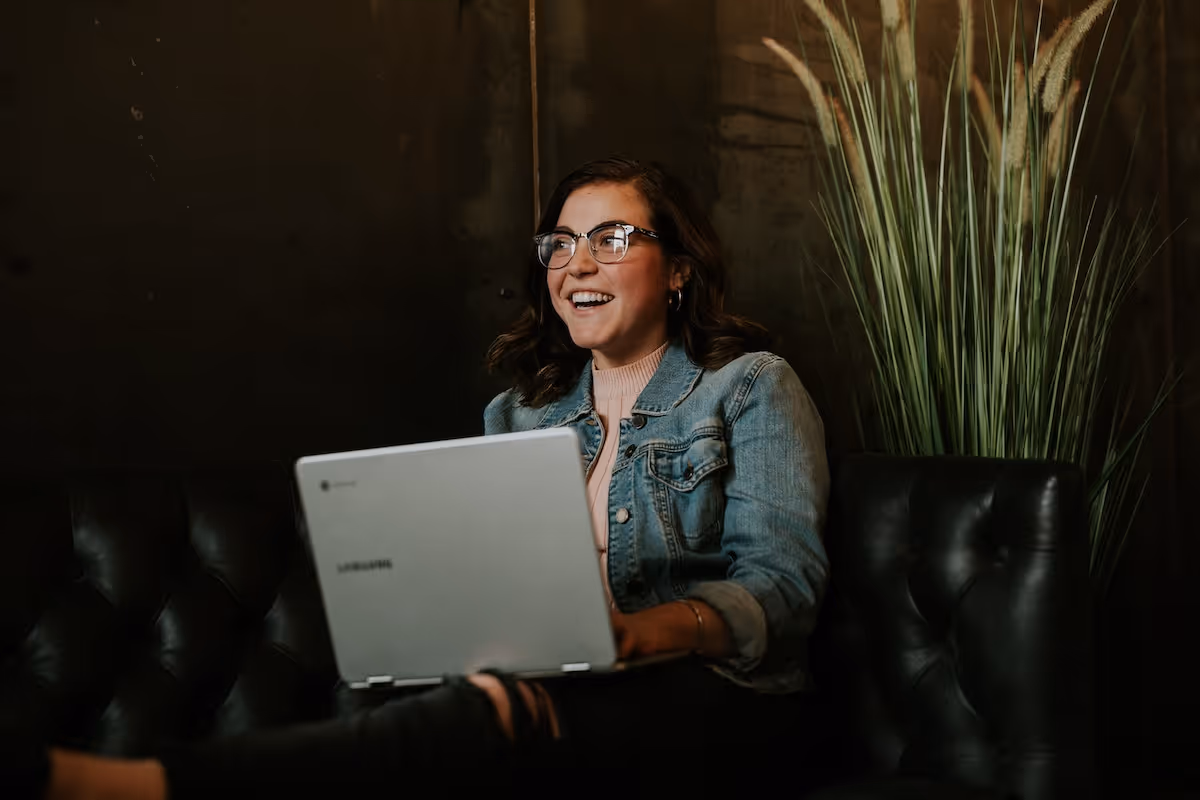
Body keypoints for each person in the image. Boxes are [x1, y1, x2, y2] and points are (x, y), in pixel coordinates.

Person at [20, 155, 830, 798]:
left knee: (476, 728)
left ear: (679, 269)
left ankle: (139, 787)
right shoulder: (517, 414)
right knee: (420, 714)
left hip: (721, 702)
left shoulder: (751, 386)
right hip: (566, 695)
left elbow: (782, 591)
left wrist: (636, 634)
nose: (577, 264)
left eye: (613, 240)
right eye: (559, 244)